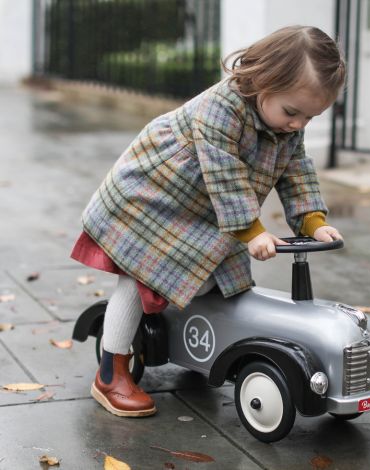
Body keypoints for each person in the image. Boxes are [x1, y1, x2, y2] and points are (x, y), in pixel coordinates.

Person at [71, 25, 346, 418]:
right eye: (292, 112)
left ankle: (189, 342)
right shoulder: (220, 109)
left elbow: (296, 170)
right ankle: (111, 371)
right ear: (263, 82)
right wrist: (252, 232)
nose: (299, 124)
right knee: (138, 278)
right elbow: (225, 175)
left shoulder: (286, 125)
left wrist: (312, 220)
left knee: (213, 278)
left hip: (202, 209)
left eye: (310, 117)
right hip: (153, 197)